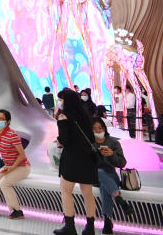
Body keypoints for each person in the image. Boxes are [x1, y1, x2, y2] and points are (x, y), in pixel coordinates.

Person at [54, 88, 99, 235]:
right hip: (87, 159)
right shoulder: (84, 116)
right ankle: (90, 227)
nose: (59, 102)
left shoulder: (63, 117)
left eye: (61, 99)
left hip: (72, 159)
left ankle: (69, 226)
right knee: (88, 193)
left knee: (66, 192)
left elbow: (65, 140)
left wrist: (59, 141)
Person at [0, 109, 30, 220]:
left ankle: (17, 211)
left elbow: (22, 155)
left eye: (2, 119)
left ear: (8, 122)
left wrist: (12, 168)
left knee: (4, 183)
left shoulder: (12, 135)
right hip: (8, 165)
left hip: (22, 167)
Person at [92, 118, 132, 234]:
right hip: (95, 176)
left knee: (105, 187)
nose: (97, 131)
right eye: (94, 129)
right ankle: (119, 200)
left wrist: (112, 154)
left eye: (99, 128)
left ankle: (107, 221)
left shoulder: (113, 143)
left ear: (104, 128)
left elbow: (122, 163)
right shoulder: (90, 144)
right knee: (99, 172)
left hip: (111, 175)